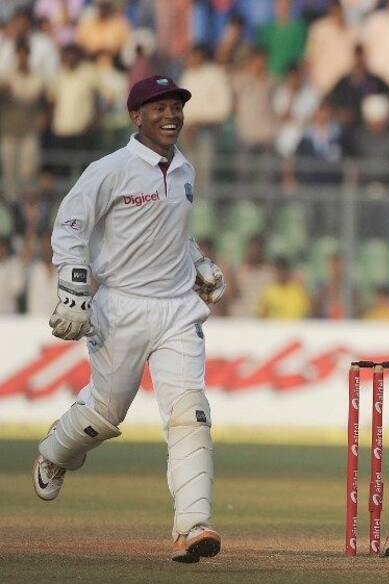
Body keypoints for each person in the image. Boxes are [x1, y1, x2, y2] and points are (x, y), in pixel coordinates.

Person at [32, 75, 227, 563]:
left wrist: (198, 262)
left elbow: (172, 233)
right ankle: (55, 452)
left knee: (190, 415)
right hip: (121, 307)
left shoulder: (185, 170)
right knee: (105, 413)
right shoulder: (110, 169)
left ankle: (192, 525)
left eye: (177, 107)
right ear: (135, 116)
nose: (171, 115)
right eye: (158, 107)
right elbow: (71, 224)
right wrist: (74, 287)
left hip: (178, 308)